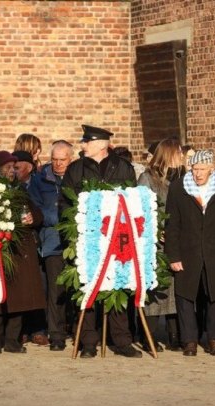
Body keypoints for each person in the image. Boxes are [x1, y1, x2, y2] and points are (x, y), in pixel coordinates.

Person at [62, 124, 141, 358]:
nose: (82, 145)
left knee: (117, 286)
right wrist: (74, 232)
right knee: (88, 288)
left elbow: (133, 200)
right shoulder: (76, 170)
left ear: (100, 144)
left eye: (86, 141)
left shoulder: (123, 168)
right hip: (87, 239)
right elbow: (65, 204)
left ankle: (122, 340)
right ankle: (88, 341)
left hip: (117, 237)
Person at [165, 150, 215, 357]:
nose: (198, 174)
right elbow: (172, 224)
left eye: (202, 169)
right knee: (185, 296)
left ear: (211, 168)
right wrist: (173, 255)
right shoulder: (178, 187)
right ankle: (189, 340)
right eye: (194, 169)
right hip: (187, 250)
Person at [0, 151, 46, 355]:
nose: (12, 171)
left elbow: (37, 213)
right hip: (0, 249)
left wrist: (32, 218)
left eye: (14, 167)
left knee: (20, 299)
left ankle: (12, 339)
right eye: (8, 167)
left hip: (21, 250)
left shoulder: (19, 189)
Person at [137, 138, 184, 351]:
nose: (182, 157)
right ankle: (149, 335)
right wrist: (157, 230)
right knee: (156, 289)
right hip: (156, 244)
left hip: (179, 241)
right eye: (179, 153)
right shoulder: (148, 178)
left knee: (176, 289)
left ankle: (176, 334)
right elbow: (142, 209)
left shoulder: (183, 178)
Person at [28, 140, 74, 350]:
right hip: (52, 241)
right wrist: (62, 219)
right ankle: (56, 334)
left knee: (77, 288)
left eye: (62, 160)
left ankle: (77, 329)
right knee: (55, 289)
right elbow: (36, 208)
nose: (58, 164)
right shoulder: (40, 180)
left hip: (76, 240)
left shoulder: (77, 178)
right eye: (54, 160)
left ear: (70, 159)